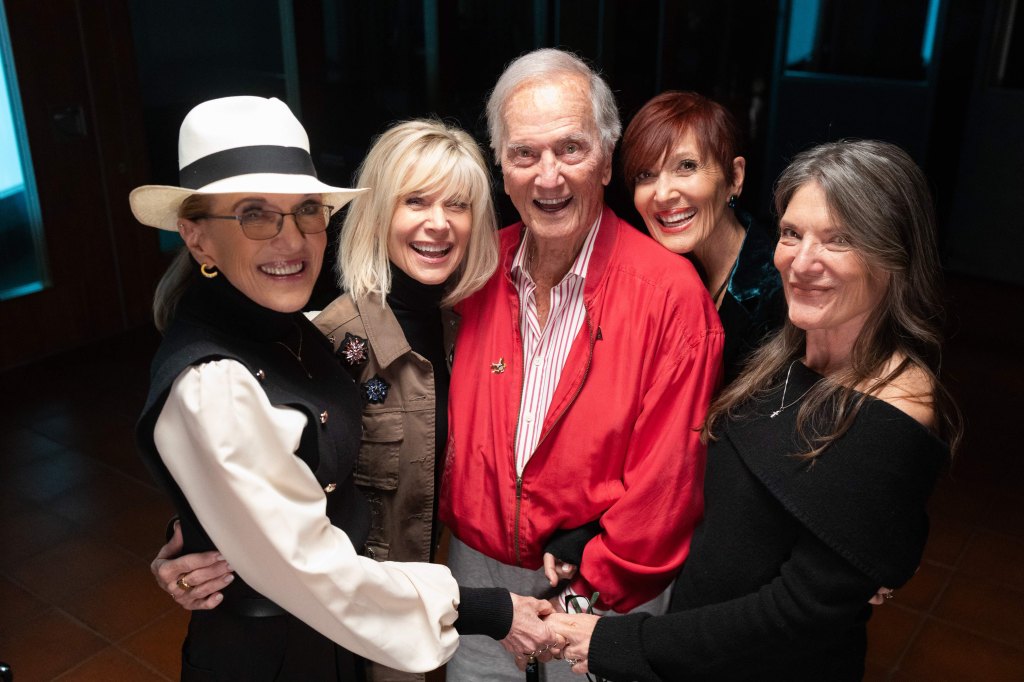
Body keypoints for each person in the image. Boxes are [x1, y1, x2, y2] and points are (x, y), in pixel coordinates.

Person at [133, 97, 552, 680]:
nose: (290, 239)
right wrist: (485, 608)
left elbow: (265, 483)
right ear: (197, 238)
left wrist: (203, 528)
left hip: (372, 622)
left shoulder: (298, 332)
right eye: (255, 214)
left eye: (306, 210)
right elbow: (306, 559)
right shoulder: (236, 373)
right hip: (299, 646)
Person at [547, 139, 961, 681]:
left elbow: (802, 611)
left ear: (893, 255)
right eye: (792, 233)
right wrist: (597, 529)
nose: (801, 261)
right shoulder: (782, 359)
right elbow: (723, 494)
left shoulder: (897, 403)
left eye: (839, 240)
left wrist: (625, 641)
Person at [439, 49, 724, 681]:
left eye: (570, 149)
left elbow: (666, 486)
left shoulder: (670, 296)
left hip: (607, 586)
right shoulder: (474, 272)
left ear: (606, 159)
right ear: (501, 166)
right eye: (524, 154)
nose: (548, 177)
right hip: (479, 574)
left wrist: (581, 595)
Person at [622, 91, 785, 382]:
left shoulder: (780, 292)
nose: (662, 195)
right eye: (645, 175)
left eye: (686, 166)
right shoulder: (655, 277)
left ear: (734, 178)